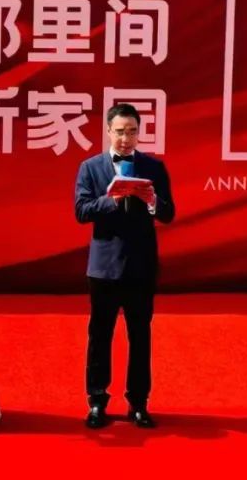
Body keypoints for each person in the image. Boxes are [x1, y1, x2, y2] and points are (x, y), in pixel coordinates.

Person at [74, 103, 175, 429]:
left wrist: (151, 201)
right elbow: (81, 211)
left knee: (140, 335)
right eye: (119, 131)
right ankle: (97, 401)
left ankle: (138, 403)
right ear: (108, 131)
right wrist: (111, 200)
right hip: (103, 267)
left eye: (132, 131)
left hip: (141, 265)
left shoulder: (153, 167)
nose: (125, 138)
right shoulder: (91, 168)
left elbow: (169, 213)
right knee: (100, 335)